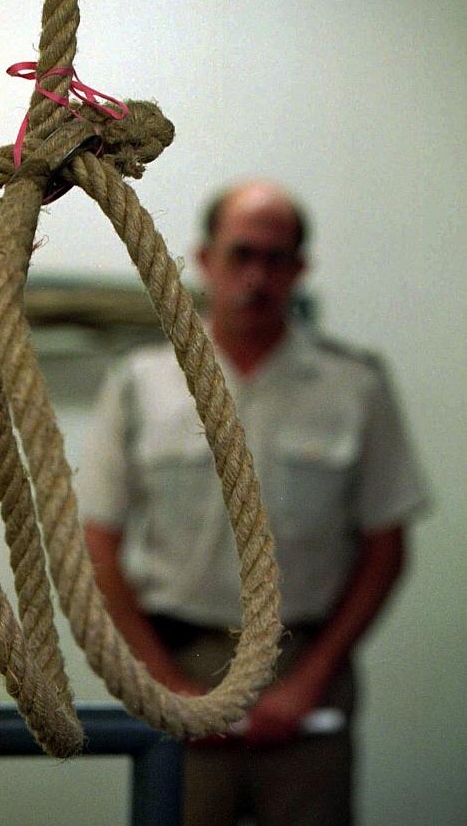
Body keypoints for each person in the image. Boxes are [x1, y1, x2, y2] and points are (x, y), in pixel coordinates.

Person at [79, 180, 429, 825]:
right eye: (241, 254)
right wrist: (167, 687)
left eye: (276, 258)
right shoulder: (143, 384)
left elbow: (386, 550)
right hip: (180, 660)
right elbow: (98, 547)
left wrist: (310, 680)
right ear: (206, 258)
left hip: (307, 671)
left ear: (300, 268)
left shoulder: (354, 386)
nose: (257, 276)